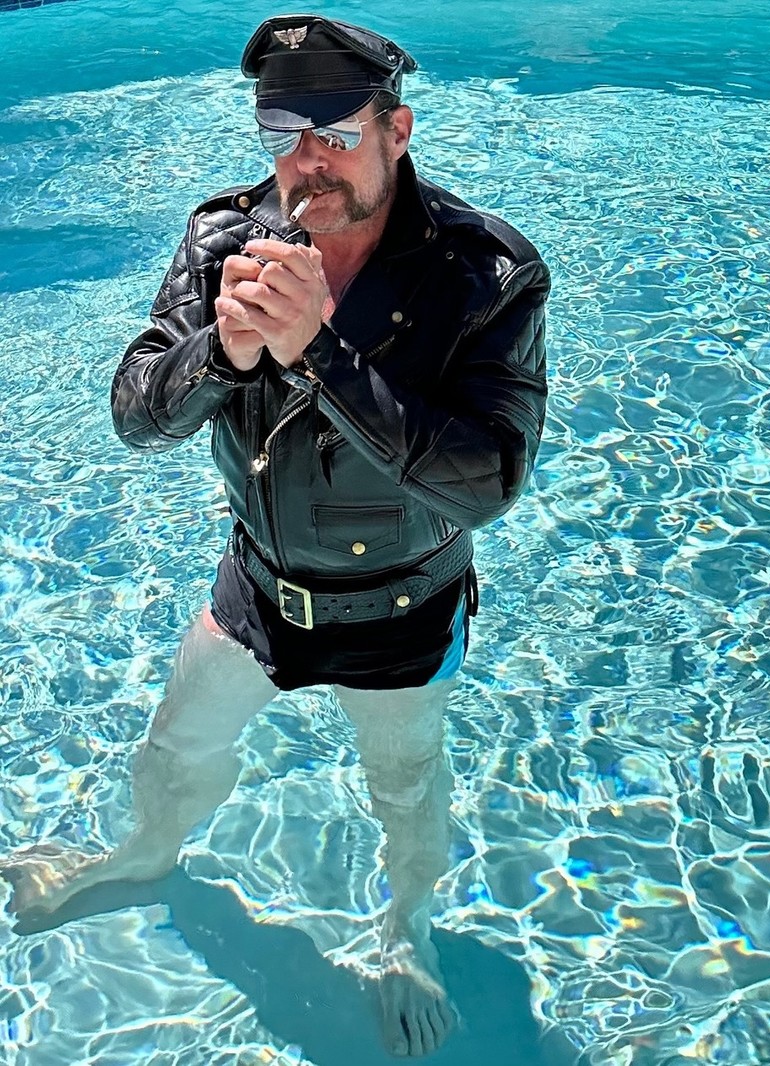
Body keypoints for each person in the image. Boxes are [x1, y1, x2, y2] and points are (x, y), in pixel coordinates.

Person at [3, 15, 549, 1059]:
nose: (308, 165)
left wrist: (322, 356)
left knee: (405, 789)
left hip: (401, 607)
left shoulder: (486, 273)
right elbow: (134, 414)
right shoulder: (224, 240)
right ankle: (144, 855)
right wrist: (223, 351)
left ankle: (406, 931)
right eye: (283, 137)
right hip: (257, 587)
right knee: (175, 748)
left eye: (335, 135)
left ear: (397, 130)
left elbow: (490, 480)